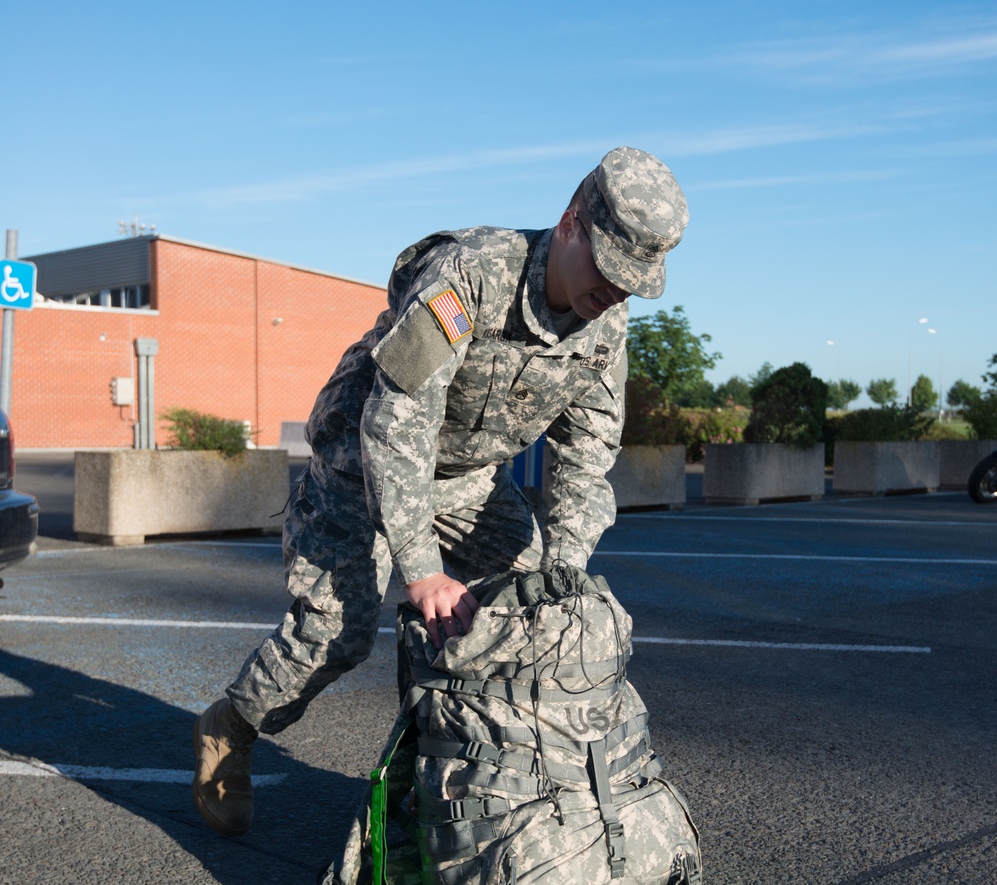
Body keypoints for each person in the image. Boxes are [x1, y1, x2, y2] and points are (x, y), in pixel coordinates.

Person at [192, 146, 688, 836]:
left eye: (636, 281)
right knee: (336, 633)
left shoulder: (606, 324)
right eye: (610, 267)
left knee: (526, 618)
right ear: (572, 222)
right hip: (360, 461)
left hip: (465, 481)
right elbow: (397, 421)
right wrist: (421, 568)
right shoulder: (469, 275)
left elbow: (587, 453)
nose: (618, 291)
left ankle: (433, 778)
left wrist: (563, 568)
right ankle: (231, 727)